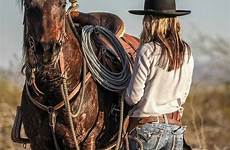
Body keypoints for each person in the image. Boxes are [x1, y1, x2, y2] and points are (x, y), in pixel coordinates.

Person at [125, 0, 193, 149]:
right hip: (175, 130)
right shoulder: (186, 51)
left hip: (147, 130)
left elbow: (133, 97)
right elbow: (184, 94)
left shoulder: (148, 50)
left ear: (151, 22)